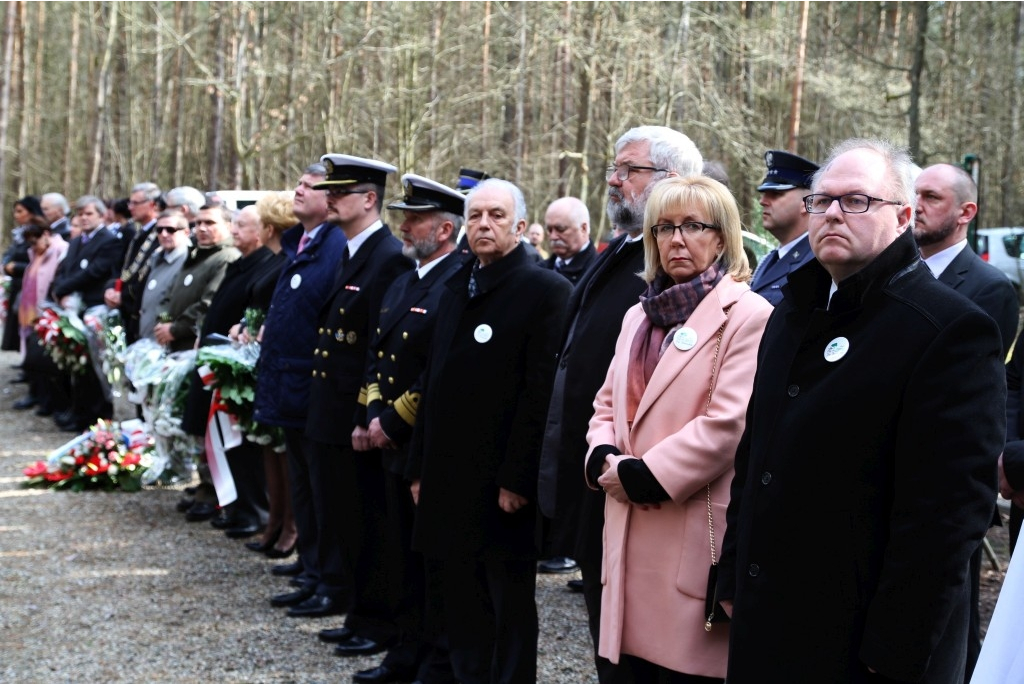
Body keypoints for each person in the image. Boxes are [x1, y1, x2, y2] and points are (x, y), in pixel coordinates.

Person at [719, 138, 1006, 682]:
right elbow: (756, 457)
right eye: (820, 200)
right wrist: (733, 575)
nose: (831, 213)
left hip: (860, 643)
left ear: (902, 216)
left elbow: (945, 517)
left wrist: (894, 648)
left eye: (855, 201)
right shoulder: (793, 313)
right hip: (769, 617)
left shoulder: (949, 329)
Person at [584, 176, 771, 681]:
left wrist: (643, 475)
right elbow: (606, 403)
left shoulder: (749, 315)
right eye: (664, 228)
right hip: (624, 515)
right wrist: (603, 456)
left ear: (722, 237)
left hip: (685, 520)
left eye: (692, 226)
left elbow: (729, 423)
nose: (676, 240)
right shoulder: (635, 317)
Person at [536, 124, 703, 682]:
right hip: (598, 474)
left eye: (628, 170)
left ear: (674, 181)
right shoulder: (624, 253)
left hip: (650, 493)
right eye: (615, 167)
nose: (613, 180)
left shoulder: (694, 274)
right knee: (608, 643)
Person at [407, 178, 572, 683]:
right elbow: (433, 385)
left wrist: (519, 478)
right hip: (447, 479)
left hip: (501, 486)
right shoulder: (460, 284)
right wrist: (419, 468)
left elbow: (540, 394)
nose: (483, 224)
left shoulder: (545, 291)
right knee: (458, 602)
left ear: (521, 227)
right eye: (475, 215)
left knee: (507, 608)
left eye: (496, 215)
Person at [351, 173, 466, 685]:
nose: (404, 225)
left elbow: (437, 369)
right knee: (395, 553)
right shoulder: (404, 279)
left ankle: (434, 658)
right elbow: (377, 356)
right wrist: (371, 414)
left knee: (429, 562)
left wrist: (396, 419)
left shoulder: (458, 281)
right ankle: (403, 650)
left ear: (444, 230)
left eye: (414, 218)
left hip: (421, 441)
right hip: (388, 439)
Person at [300, 154, 411, 656]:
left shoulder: (386, 256)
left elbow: (379, 346)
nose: (330, 198)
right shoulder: (351, 251)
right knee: (344, 518)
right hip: (331, 410)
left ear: (369, 199)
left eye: (341, 192)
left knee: (368, 523)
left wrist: (367, 414)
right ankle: (355, 608)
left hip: (355, 414)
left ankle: (375, 619)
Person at [913, 161, 1019, 681]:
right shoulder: (895, 273)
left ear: (965, 212)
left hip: (948, 479)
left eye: (931, 197)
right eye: (913, 195)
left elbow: (982, 391)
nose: (917, 205)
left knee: (949, 627)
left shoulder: (989, 287)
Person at [253, 164, 347, 605]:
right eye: (299, 183)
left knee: (323, 489)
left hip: (311, 385)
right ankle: (310, 565)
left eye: (310, 186)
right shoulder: (301, 242)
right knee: (303, 483)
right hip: (289, 384)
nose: (298, 190)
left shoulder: (333, 246)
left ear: (330, 201)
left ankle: (326, 574)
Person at [180, 205, 281, 539]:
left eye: (241, 225)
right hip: (220, 359)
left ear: (264, 230)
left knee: (242, 445)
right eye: (234, 224)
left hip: (238, 363)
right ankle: (235, 505)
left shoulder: (266, 264)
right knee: (225, 441)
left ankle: (252, 510)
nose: (234, 230)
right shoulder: (241, 263)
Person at [240, 191, 297, 557]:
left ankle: (290, 526)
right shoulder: (274, 260)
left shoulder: (287, 261)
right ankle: (275, 520)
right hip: (265, 360)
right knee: (269, 448)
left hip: (282, 364)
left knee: (283, 450)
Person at [51, 196, 122, 432]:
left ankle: (95, 417)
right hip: (73, 308)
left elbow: (94, 272)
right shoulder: (76, 241)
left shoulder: (109, 241)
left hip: (93, 309)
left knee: (94, 368)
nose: (83, 217)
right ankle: (78, 412)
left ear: (102, 215)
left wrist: (63, 288)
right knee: (76, 366)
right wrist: (59, 290)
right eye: (80, 213)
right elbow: (65, 270)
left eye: (89, 213)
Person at [749, 150, 819, 306]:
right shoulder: (771, 259)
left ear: (806, 203)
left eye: (775, 193)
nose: (762, 201)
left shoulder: (815, 263)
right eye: (763, 193)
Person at [13, 222, 68, 415]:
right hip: (30, 311)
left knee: (45, 359)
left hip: (46, 311)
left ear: (46, 234)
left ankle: (49, 400)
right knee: (32, 357)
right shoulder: (35, 253)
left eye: (35, 242)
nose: (33, 247)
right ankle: (36, 394)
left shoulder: (59, 250)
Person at [104, 181, 162, 343]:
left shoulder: (160, 234)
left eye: (135, 203)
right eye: (130, 202)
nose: (130, 207)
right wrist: (110, 288)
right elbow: (122, 268)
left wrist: (124, 296)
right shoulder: (137, 233)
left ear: (151, 204)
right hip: (125, 309)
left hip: (139, 310)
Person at [135, 212, 190, 343]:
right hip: (148, 338)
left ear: (186, 232)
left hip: (170, 341)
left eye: (170, 230)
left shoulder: (189, 261)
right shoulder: (157, 257)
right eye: (159, 230)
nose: (164, 234)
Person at [3, 197, 46, 357]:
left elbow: (38, 261)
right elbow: (9, 254)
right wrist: (7, 265)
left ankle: (30, 361)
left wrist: (17, 267)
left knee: (29, 325)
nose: (16, 215)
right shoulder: (19, 234)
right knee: (20, 326)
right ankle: (25, 361)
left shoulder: (39, 232)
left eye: (20, 211)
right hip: (18, 284)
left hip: (30, 286)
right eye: (15, 211)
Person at [540, 197, 596, 286]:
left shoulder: (599, 273)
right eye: (549, 230)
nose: (553, 236)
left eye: (560, 229)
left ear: (583, 228)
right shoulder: (539, 269)